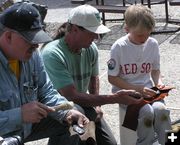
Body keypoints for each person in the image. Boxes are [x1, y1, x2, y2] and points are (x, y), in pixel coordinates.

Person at [41, 4, 144, 145]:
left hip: (83, 105)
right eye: (92, 32)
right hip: (59, 110)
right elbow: (70, 96)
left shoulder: (90, 48)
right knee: (76, 126)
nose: (96, 37)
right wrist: (114, 98)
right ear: (75, 29)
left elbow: (93, 78)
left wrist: (97, 106)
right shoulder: (52, 53)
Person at [0, 2, 89, 145]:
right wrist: (19, 115)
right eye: (30, 40)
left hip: (28, 127)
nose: (36, 45)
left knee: (73, 117)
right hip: (5, 136)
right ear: (8, 36)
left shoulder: (32, 56)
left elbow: (46, 91)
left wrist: (66, 113)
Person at [107, 5, 171, 145]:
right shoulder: (119, 47)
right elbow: (112, 78)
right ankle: (145, 143)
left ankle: (169, 141)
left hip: (148, 90)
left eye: (148, 34)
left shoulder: (152, 44)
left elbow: (155, 70)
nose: (144, 38)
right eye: (140, 35)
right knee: (147, 113)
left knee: (161, 111)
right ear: (127, 29)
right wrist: (136, 89)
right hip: (125, 92)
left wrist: (158, 82)